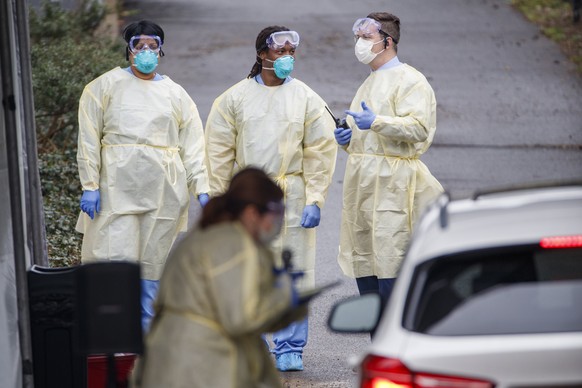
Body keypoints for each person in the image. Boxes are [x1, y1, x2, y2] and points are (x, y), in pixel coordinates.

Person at [204, 26, 337, 371]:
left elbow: (320, 150)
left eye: (292, 52)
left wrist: (315, 198)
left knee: (292, 273)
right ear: (263, 54)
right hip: (248, 198)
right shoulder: (234, 99)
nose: (287, 58)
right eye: (281, 52)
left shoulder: (306, 98)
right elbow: (218, 151)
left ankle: (290, 346)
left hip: (290, 195)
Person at [76, 20, 210, 332]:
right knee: (113, 261)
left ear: (162, 50)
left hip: (163, 191)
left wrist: (201, 187)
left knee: (152, 265)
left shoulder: (174, 93)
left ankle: (147, 343)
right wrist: (90, 185)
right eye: (139, 44)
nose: (146, 51)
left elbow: (193, 142)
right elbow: (88, 139)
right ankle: (111, 341)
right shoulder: (102, 87)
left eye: (153, 45)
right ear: (128, 49)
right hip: (114, 191)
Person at [130, 167, 307, 388]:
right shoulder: (231, 246)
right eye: (276, 212)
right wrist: (286, 298)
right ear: (252, 213)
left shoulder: (216, 235)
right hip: (194, 362)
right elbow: (242, 318)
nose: (279, 221)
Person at [335, 13, 443, 305]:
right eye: (358, 38)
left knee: (391, 265)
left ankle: (396, 344)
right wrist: (348, 141)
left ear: (388, 41)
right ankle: (378, 345)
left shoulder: (410, 80)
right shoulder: (370, 82)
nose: (360, 44)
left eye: (367, 38)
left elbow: (419, 128)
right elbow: (369, 139)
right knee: (366, 269)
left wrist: (378, 122)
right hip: (364, 186)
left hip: (394, 187)